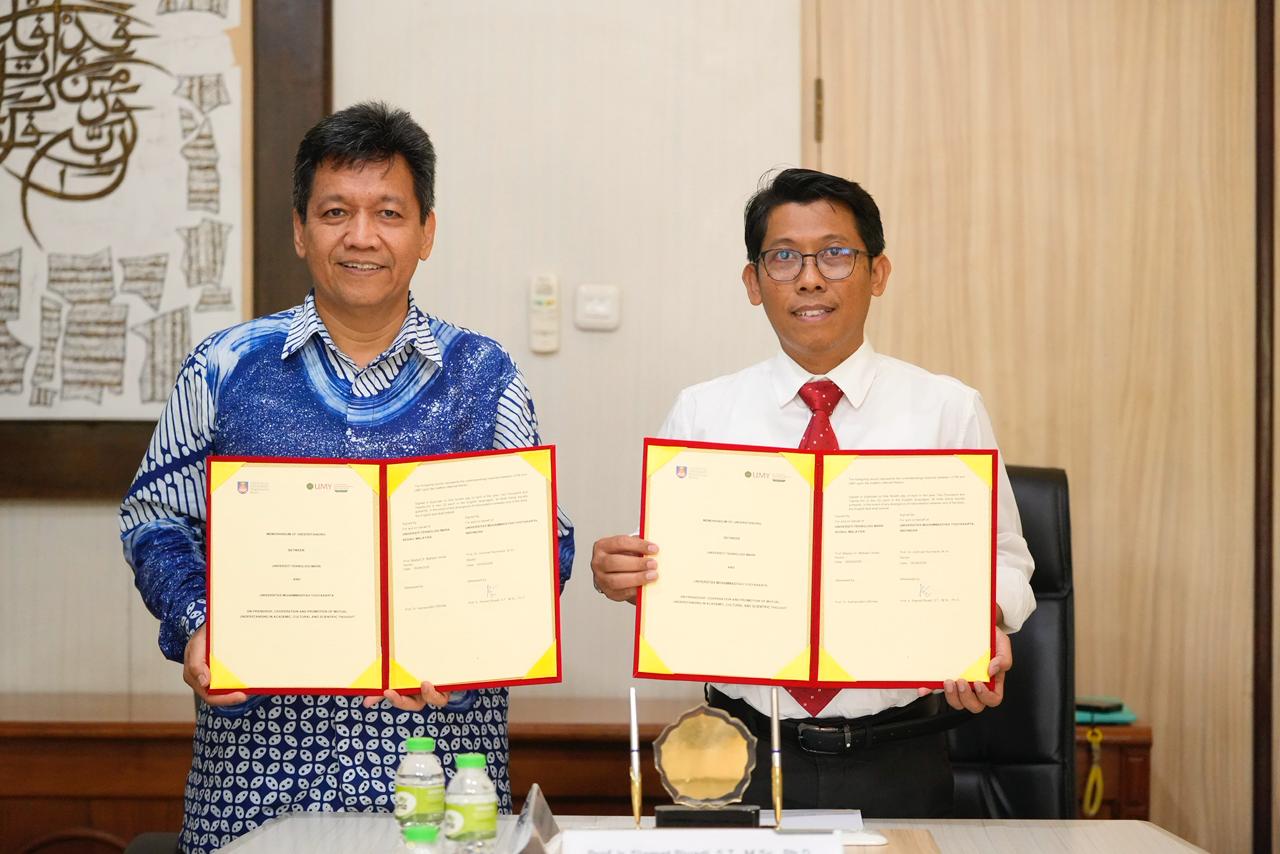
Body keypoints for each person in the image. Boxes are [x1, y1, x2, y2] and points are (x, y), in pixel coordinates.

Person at [120, 101, 574, 852]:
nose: (362, 236)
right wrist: (199, 623)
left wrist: (476, 647)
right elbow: (156, 518)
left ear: (426, 232)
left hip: (438, 770)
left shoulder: (484, 376)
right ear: (301, 230)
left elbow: (541, 543)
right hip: (255, 772)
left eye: (389, 212)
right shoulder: (226, 366)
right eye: (336, 211)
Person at [590, 168, 1034, 817]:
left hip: (900, 752)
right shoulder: (703, 414)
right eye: (783, 257)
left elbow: (1006, 559)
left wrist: (982, 621)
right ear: (753, 283)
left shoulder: (947, 410)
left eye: (835, 254)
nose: (809, 278)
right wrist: (626, 573)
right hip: (741, 749)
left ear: (878, 273)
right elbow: (669, 569)